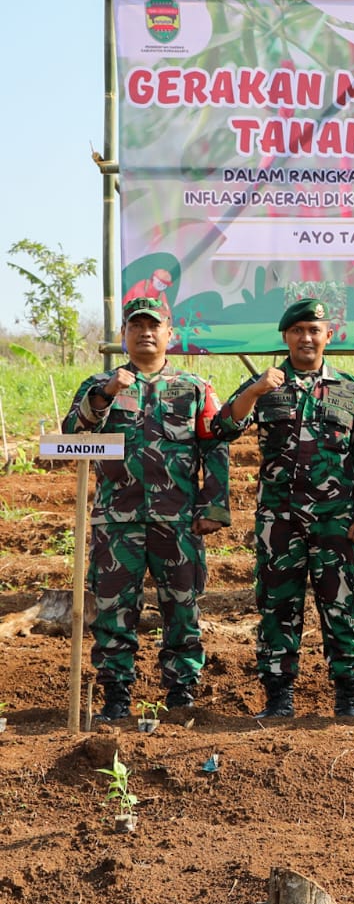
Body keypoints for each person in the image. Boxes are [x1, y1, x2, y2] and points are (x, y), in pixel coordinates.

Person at [214, 299, 354, 718]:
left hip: (336, 520)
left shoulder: (351, 388)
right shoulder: (264, 384)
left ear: (329, 335)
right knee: (277, 607)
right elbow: (225, 425)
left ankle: (348, 698)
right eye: (297, 331)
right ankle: (279, 699)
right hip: (279, 519)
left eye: (314, 330)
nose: (306, 338)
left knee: (342, 606)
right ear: (286, 337)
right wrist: (255, 389)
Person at [62, 296, 230, 721]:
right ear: (124, 335)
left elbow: (214, 447)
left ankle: (181, 697)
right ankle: (116, 698)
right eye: (136, 326)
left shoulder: (194, 388)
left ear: (170, 334)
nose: (146, 332)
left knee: (182, 607)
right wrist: (106, 395)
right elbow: (72, 435)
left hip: (178, 521)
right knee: (113, 611)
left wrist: (213, 505)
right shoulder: (100, 384)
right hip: (117, 522)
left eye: (154, 325)